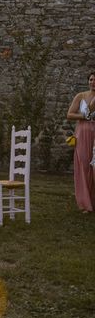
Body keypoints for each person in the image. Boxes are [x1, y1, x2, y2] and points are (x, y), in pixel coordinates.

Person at [66, 71, 95, 213]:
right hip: (83, 133)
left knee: (94, 168)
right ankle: (85, 203)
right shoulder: (81, 96)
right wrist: (83, 116)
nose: (93, 82)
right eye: (91, 79)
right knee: (84, 165)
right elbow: (69, 114)